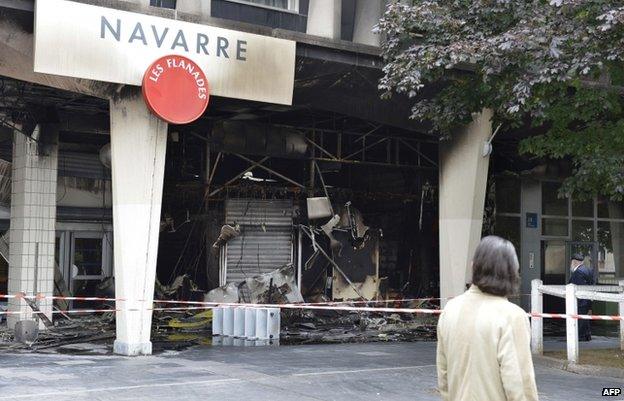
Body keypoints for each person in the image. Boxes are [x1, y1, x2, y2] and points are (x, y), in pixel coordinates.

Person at [437, 236, 538, 401]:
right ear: (512, 272)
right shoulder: (512, 316)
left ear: (473, 266)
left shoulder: (450, 310)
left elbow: (443, 377)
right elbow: (519, 385)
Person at [569, 253, 595, 341]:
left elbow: (577, 287)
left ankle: (581, 337)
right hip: (587, 299)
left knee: (580, 319)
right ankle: (587, 335)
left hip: (580, 300)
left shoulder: (577, 273)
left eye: (571, 263)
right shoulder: (588, 270)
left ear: (574, 262)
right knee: (585, 318)